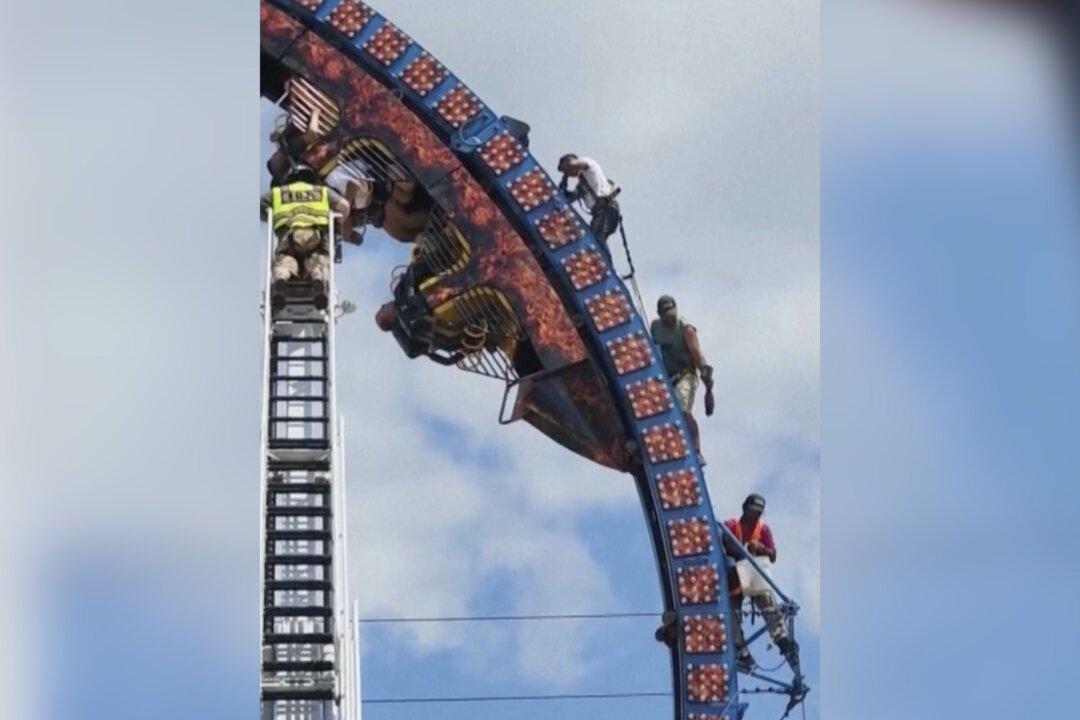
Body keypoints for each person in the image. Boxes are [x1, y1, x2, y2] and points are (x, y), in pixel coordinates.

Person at [722, 494, 800, 677]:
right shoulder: (731, 525)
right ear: (745, 508)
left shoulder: (763, 530)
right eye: (753, 511)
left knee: (766, 599)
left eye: (759, 512)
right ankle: (742, 653)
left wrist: (761, 549)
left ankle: (781, 639)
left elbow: (772, 556)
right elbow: (720, 542)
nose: (756, 516)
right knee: (730, 615)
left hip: (752, 573)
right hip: (734, 577)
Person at [264, 164, 350, 311]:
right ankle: (318, 281)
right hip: (315, 236)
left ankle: (281, 281)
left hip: (289, 236)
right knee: (318, 262)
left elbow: (259, 207)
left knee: (285, 261)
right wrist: (337, 230)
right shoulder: (323, 191)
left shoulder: (277, 193)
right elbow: (344, 206)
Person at [648, 295, 714, 463]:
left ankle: (697, 451)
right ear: (659, 314)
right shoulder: (655, 327)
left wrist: (705, 374)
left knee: (683, 410)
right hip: (666, 376)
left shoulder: (686, 329)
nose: (670, 317)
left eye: (672, 313)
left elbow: (696, 353)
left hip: (686, 374)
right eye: (666, 314)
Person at [557, 153, 621, 257]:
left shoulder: (589, 164)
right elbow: (567, 199)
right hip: (600, 213)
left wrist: (568, 167)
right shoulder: (581, 187)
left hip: (606, 207)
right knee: (593, 238)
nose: (569, 173)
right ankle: (603, 261)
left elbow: (576, 164)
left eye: (568, 170)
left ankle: (608, 266)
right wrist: (565, 179)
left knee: (597, 237)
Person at [267, 104, 323, 184]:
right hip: (315, 112)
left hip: (304, 109)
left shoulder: (285, 144)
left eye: (273, 157)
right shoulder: (293, 150)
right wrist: (315, 114)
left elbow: (277, 135)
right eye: (275, 161)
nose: (275, 156)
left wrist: (277, 136)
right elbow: (311, 135)